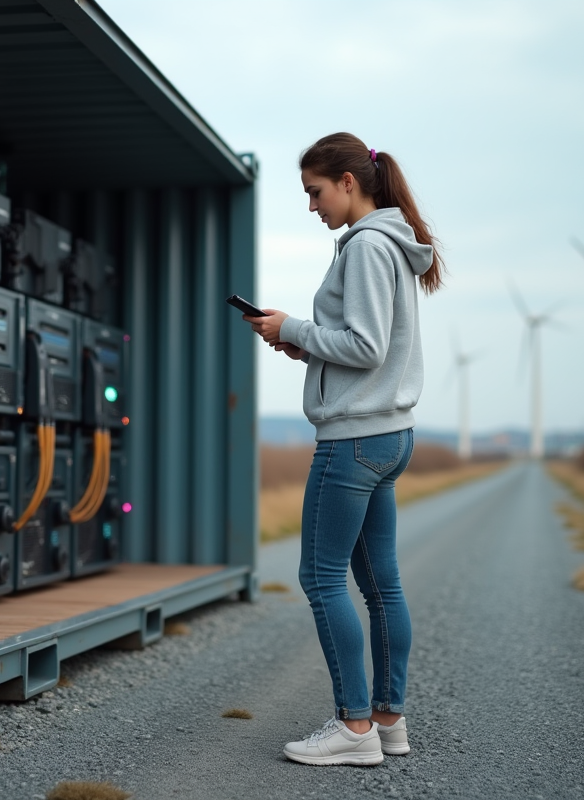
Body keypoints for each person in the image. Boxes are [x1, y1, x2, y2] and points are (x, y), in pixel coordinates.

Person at [246, 132, 444, 766]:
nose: (312, 207)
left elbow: (364, 346)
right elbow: (368, 347)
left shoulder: (364, 248)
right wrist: (304, 346)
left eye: (315, 192)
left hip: (353, 440)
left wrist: (292, 327)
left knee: (320, 575)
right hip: (391, 435)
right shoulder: (394, 244)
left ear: (349, 182)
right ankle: (388, 722)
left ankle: (353, 729)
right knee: (381, 584)